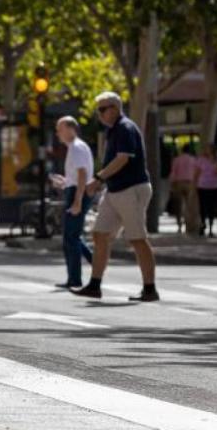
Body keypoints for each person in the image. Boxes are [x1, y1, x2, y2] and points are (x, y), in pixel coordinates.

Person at [73, 92, 159, 302]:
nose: (100, 114)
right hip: (115, 190)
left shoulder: (125, 128)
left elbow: (122, 160)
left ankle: (150, 289)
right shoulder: (113, 130)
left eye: (103, 109)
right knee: (100, 234)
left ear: (115, 108)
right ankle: (94, 285)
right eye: (98, 110)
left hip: (132, 189)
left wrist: (98, 179)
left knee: (137, 238)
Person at [53, 116, 94, 289]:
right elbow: (77, 176)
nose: (58, 134)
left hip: (79, 193)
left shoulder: (76, 147)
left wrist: (77, 201)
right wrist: (65, 181)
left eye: (60, 129)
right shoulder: (75, 147)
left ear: (71, 128)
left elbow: (83, 175)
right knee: (73, 235)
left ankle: (75, 278)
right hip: (75, 190)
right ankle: (96, 262)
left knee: (70, 237)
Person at [194, 144, 217, 237]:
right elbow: (197, 173)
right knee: (203, 207)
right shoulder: (201, 160)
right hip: (202, 186)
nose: (207, 151)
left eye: (209, 149)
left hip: (214, 186)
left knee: (212, 207)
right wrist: (194, 184)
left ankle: (210, 228)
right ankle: (203, 225)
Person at [168, 144, 197, 235]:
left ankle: (179, 225)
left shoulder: (177, 159)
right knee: (190, 206)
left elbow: (173, 173)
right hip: (190, 183)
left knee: (179, 206)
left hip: (179, 183)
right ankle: (190, 226)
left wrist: (172, 185)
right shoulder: (193, 160)